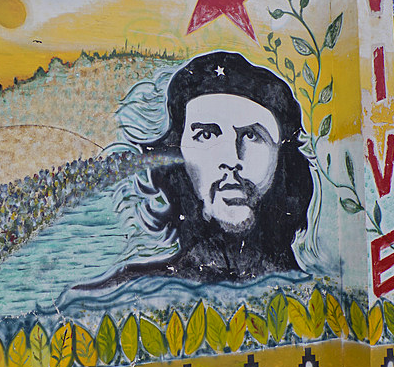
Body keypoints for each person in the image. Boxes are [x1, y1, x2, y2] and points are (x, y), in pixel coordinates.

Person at [81, 51, 313, 287]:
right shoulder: (128, 292)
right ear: (176, 158)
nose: (231, 159)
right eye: (206, 135)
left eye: (251, 135)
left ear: (284, 159)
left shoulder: (317, 294)